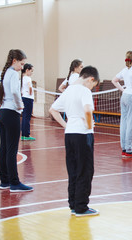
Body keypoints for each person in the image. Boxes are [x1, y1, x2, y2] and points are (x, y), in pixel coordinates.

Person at [49, 66, 100, 217]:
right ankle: (81, 207)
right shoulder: (85, 91)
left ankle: (73, 204)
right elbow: (87, 110)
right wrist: (90, 125)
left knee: (73, 170)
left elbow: (53, 110)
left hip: (69, 134)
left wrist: (66, 125)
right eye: (93, 85)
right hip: (83, 134)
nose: (92, 87)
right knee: (85, 170)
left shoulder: (69, 90)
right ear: (91, 79)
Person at [0, 49, 34, 193]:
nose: (22, 67)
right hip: (11, 114)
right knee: (11, 150)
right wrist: (19, 105)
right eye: (21, 64)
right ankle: (14, 183)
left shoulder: (3, 73)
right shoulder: (14, 74)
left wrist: (2, 102)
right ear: (14, 61)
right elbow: (15, 92)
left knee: (4, 148)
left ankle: (4, 181)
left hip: (2, 113)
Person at [112, 50, 132, 157]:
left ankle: (124, 148)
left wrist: (122, 90)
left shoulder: (124, 70)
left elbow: (114, 80)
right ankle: (129, 149)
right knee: (131, 123)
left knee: (124, 122)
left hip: (124, 97)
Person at [21, 63, 35, 141]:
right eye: (31, 71)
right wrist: (30, 93)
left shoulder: (22, 78)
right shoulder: (28, 78)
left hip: (23, 98)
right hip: (28, 98)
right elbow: (30, 87)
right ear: (27, 70)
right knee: (27, 117)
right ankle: (26, 134)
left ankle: (23, 134)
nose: (31, 73)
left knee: (25, 116)